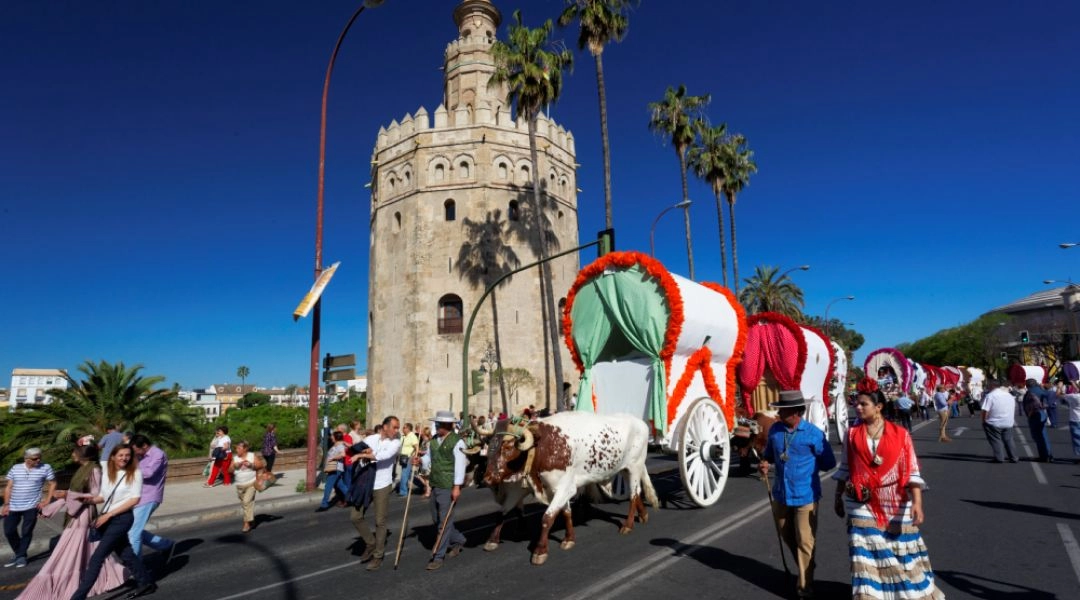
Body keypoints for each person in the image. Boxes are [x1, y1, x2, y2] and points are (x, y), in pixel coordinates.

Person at [833, 379, 943, 600]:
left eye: (864, 404)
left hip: (895, 501)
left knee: (900, 553)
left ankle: (907, 595)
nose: (858, 407)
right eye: (857, 403)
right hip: (860, 503)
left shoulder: (900, 434)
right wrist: (838, 496)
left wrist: (918, 504)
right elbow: (845, 466)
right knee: (866, 553)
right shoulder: (852, 434)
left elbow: (911, 470)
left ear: (879, 407)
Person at [16, 445, 127, 599]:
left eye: (75, 452)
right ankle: (106, 576)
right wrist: (50, 508)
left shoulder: (93, 469)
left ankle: (75, 581)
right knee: (89, 548)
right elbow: (70, 496)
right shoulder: (83, 468)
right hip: (77, 514)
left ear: (83, 455)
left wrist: (68, 494)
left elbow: (95, 494)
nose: (73, 454)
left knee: (73, 548)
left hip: (84, 514)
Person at [758, 391, 837, 599]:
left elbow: (829, 463)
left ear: (796, 412)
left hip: (806, 496)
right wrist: (765, 463)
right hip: (781, 495)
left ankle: (804, 586)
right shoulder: (775, 430)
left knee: (805, 541)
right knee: (787, 535)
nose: (779, 412)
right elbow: (769, 455)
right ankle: (807, 565)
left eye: (783, 409)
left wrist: (807, 469)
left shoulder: (813, 434)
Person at [71, 444, 157, 600]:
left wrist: (108, 515)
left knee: (97, 558)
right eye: (120, 455)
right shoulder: (108, 473)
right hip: (109, 518)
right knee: (126, 553)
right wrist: (87, 499)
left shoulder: (135, 473)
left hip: (122, 519)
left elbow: (134, 499)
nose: (124, 458)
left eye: (127, 455)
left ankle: (78, 597)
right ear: (112, 456)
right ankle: (146, 582)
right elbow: (103, 496)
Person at [349, 416, 401, 571]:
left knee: (380, 521)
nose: (397, 430)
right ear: (385, 427)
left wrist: (362, 455)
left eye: (398, 427)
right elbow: (356, 448)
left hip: (382, 485)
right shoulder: (372, 438)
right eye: (394, 427)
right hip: (366, 483)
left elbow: (380, 456)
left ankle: (378, 555)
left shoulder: (396, 443)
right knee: (355, 516)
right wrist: (361, 451)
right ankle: (371, 543)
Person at [422, 410, 469, 571]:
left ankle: (438, 555)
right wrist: (419, 460)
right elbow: (429, 457)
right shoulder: (434, 440)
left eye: (439, 424)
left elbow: (460, 466)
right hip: (435, 483)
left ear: (448, 425)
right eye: (436, 423)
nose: (436, 426)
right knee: (437, 519)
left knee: (444, 522)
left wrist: (457, 486)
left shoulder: (458, 442)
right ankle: (459, 539)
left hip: (448, 485)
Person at [3, 448, 57, 569]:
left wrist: (47, 500)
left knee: (26, 531)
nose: (38, 460)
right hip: (13, 506)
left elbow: (52, 483)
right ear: (26, 459)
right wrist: (6, 504)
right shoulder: (16, 468)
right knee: (9, 531)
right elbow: (8, 487)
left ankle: (21, 556)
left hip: (32, 506)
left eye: (39, 457)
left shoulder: (45, 467)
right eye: (35, 458)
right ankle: (19, 553)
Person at [128, 435, 174, 557]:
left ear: (144, 446)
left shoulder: (158, 454)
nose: (135, 453)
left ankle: (134, 565)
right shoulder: (140, 456)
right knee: (130, 529)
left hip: (149, 497)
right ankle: (164, 545)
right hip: (137, 496)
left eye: (136, 450)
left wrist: (132, 468)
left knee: (133, 533)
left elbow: (149, 473)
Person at [228, 441, 263, 533]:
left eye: (239, 448)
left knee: (246, 502)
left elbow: (260, 465)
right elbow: (229, 470)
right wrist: (234, 466)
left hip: (251, 483)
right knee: (245, 505)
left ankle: (246, 524)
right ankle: (252, 520)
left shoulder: (251, 456)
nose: (237, 450)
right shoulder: (235, 458)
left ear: (245, 449)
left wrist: (251, 465)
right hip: (239, 486)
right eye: (236, 448)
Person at [980, 380, 1018, 463]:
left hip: (994, 422)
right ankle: (1014, 457)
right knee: (1009, 440)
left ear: (992, 386)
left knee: (996, 440)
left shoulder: (990, 396)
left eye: (988, 385)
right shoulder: (1008, 395)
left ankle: (999, 458)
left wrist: (983, 421)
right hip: (1008, 422)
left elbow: (985, 410)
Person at [1023, 379, 1054, 462]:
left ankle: (1044, 455)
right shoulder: (1040, 390)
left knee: (1037, 436)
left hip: (1034, 415)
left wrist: (1029, 414)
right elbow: (1050, 395)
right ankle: (1048, 454)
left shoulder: (1030, 392)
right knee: (1043, 435)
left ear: (1027, 385)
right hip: (1041, 414)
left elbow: (1031, 404)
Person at [318, 431, 348, 511]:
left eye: (332, 436)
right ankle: (352, 499)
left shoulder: (340, 446)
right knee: (341, 486)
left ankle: (324, 505)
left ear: (336, 437)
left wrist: (333, 458)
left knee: (328, 486)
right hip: (334, 468)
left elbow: (343, 454)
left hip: (336, 469)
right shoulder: (336, 445)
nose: (331, 437)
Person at [398, 423, 420, 497]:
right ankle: (422, 484)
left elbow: (416, 447)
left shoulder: (412, 436)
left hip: (409, 457)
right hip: (403, 457)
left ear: (408, 429)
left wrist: (415, 456)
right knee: (410, 474)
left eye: (404, 428)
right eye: (403, 427)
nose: (403, 429)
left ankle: (403, 492)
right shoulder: (403, 436)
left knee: (404, 474)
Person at [1062, 381, 1080, 462]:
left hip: (1075, 419)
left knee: (1077, 439)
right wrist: (1074, 383)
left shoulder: (1074, 396)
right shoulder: (1075, 396)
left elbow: (1059, 395)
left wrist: (1059, 387)